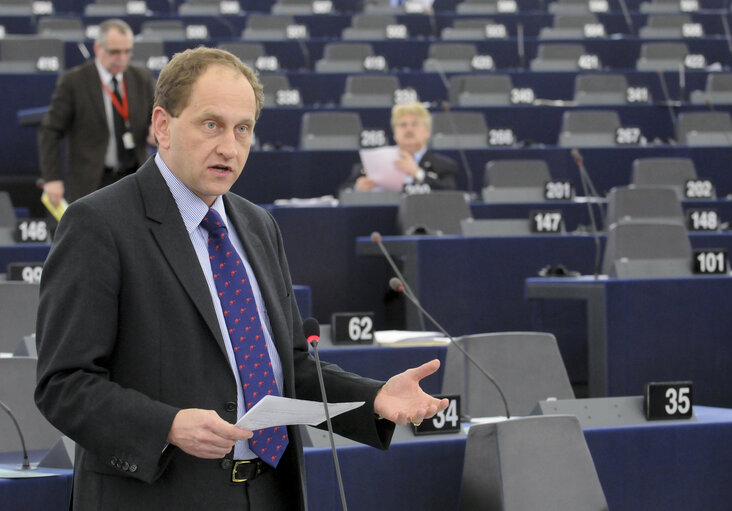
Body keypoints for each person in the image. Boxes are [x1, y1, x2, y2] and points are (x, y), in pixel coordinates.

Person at [34, 47, 448, 510]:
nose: (229, 147)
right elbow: (63, 384)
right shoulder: (98, 223)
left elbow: (288, 367)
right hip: (161, 497)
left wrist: (374, 398)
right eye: (211, 124)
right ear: (163, 126)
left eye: (243, 129)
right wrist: (166, 424)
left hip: (269, 491)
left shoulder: (257, 225)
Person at [37, 18, 155, 205]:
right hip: (92, 181)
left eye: (127, 51)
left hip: (135, 176)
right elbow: (50, 131)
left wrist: (155, 131)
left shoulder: (141, 78)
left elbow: (156, 118)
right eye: (115, 52)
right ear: (98, 48)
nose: (122, 58)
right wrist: (52, 179)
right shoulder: (74, 81)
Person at [338, 102, 458, 194]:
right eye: (403, 125)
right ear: (395, 132)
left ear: (427, 132)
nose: (409, 129)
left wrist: (418, 174)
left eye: (415, 124)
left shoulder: (443, 165)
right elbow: (343, 191)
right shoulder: (373, 162)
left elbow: (449, 191)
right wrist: (357, 188)